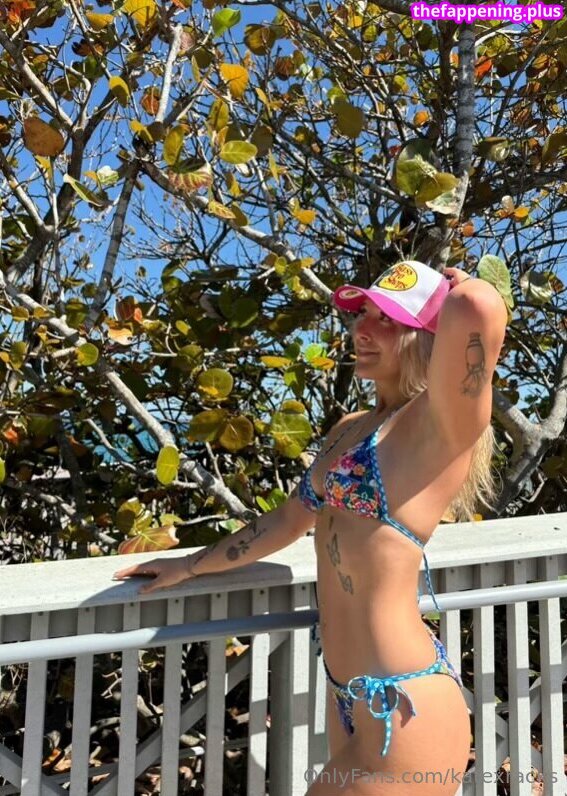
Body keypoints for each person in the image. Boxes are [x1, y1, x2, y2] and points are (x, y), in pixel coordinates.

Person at [114, 260, 508, 795]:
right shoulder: (351, 428)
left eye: (386, 319)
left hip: (403, 702)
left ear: (425, 335)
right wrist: (189, 564)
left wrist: (460, 287)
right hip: (347, 694)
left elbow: (480, 308)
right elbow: (286, 520)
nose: (361, 329)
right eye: (361, 314)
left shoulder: (440, 426)